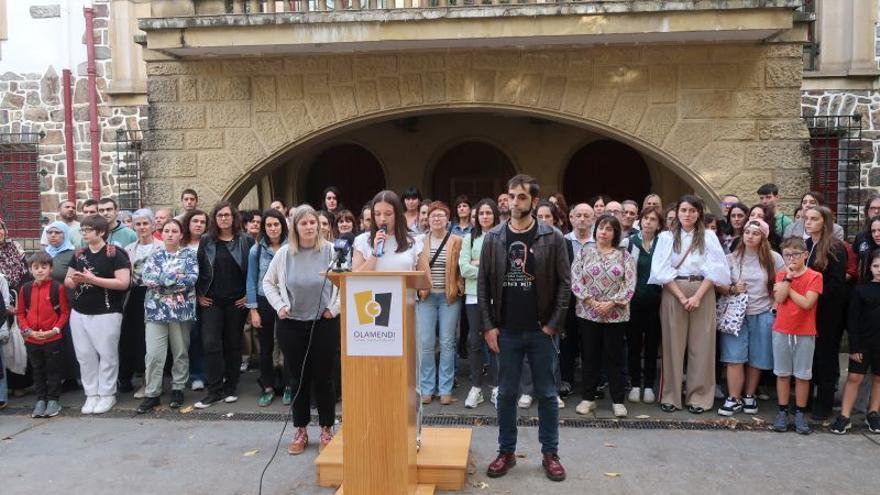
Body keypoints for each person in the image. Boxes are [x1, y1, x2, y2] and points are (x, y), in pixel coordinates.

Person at [479, 174, 570, 482]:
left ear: (533, 200)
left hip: (540, 330)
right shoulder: (493, 237)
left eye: (520, 197)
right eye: (510, 196)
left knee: (546, 393)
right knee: (505, 394)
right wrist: (489, 326)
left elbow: (564, 284)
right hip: (506, 330)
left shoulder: (552, 236)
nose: (514, 201)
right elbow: (481, 285)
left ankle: (550, 453)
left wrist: (553, 325)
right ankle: (506, 452)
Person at [262, 205, 340, 454]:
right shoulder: (285, 253)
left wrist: (334, 308)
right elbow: (268, 282)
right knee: (297, 378)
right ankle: (301, 430)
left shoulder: (331, 251)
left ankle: (327, 428)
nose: (309, 227)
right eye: (303, 223)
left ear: (319, 225)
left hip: (324, 323)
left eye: (312, 223)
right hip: (292, 325)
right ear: (295, 227)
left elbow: (345, 281)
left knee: (324, 378)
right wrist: (280, 306)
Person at [649, 195, 730, 414]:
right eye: (684, 210)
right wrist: (682, 297)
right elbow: (660, 270)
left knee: (702, 346)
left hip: (702, 290)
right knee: (672, 345)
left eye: (692, 211)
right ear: (678, 212)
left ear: (699, 214)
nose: (688, 215)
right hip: (674, 291)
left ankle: (699, 396)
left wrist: (697, 297)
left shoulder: (710, 237)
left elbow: (716, 269)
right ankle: (670, 395)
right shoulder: (666, 237)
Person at [715, 219, 784, 417]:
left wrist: (774, 307)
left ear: (764, 236)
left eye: (755, 232)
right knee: (734, 356)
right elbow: (718, 283)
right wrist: (731, 288)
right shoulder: (732, 258)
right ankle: (733, 397)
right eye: (747, 232)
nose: (750, 236)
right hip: (735, 313)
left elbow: (782, 283)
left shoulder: (774, 259)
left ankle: (749, 395)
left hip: (762, 312)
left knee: (757, 357)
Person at [64, 215, 132, 415]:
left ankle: (107, 394)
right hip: (79, 311)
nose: (83, 233)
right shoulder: (79, 254)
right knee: (84, 355)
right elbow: (68, 281)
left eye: (88, 229)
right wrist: (75, 280)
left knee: (107, 354)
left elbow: (123, 283)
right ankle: (91, 393)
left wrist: (94, 279)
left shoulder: (115, 253)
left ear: (101, 232)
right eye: (82, 229)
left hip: (106, 311)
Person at [571, 214, 636, 418]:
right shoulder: (584, 252)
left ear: (615, 233)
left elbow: (630, 284)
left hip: (616, 314)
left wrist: (612, 303)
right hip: (588, 313)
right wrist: (591, 302)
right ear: (595, 230)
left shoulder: (625, 256)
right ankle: (588, 398)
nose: (604, 232)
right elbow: (575, 280)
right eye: (601, 228)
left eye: (609, 229)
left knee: (614, 357)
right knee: (589, 356)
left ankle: (617, 400)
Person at [194, 202, 254, 409]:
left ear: (234, 217)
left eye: (227, 215)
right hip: (212, 300)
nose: (224, 219)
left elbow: (253, 271)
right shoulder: (206, 241)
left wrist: (249, 295)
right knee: (211, 343)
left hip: (237, 301)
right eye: (220, 215)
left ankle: (231, 388)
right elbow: (198, 270)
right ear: (215, 218)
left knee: (233, 344)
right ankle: (214, 390)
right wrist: (199, 294)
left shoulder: (245, 241)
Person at [137, 219, 198, 413]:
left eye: (174, 231)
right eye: (166, 231)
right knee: (154, 354)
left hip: (181, 312)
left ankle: (178, 388)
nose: (170, 234)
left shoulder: (189, 255)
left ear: (181, 235)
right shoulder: (154, 256)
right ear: (161, 234)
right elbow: (146, 279)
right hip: (156, 311)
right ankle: (152, 393)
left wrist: (162, 281)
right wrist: (173, 278)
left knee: (180, 351)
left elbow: (189, 280)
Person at [771, 237, 822, 434]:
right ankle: (783, 411)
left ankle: (800, 412)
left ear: (805, 255)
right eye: (787, 255)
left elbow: (807, 303)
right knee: (782, 373)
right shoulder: (782, 274)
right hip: (782, 329)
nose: (791, 258)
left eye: (795, 254)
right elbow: (779, 297)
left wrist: (788, 287)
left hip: (805, 331)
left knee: (802, 375)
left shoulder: (814, 276)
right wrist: (788, 279)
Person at [802, 205, 849, 420]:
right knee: (808, 356)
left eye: (814, 218)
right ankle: (806, 400)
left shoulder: (835, 247)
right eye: (806, 218)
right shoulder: (806, 245)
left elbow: (837, 284)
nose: (808, 222)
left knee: (825, 357)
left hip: (827, 312)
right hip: (806, 310)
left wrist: (814, 298)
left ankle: (824, 403)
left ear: (825, 222)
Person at [416, 201, 463, 405]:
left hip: (448, 298)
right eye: (433, 215)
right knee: (426, 343)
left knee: (447, 343)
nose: (436, 218)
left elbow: (463, 266)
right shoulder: (419, 241)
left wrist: (459, 286)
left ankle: (445, 389)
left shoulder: (457, 240)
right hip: (426, 297)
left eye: (440, 215)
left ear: (447, 219)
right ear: (427, 219)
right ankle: (426, 388)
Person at [831, 248, 880, 434]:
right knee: (854, 377)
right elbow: (853, 320)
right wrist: (855, 346)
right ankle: (845, 415)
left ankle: (873, 413)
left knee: (878, 378)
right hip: (863, 343)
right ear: (869, 268)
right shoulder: (860, 290)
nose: (879, 270)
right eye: (876, 266)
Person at [16, 252, 71, 418]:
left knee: (53, 370)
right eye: (36, 267)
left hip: (52, 338)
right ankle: (40, 400)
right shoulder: (25, 289)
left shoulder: (57, 288)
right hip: (32, 338)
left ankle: (53, 400)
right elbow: (20, 313)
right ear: (30, 269)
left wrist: (54, 330)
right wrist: (28, 331)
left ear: (51, 269)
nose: (40, 271)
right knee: (37, 369)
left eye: (44, 267)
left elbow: (64, 312)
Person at [246, 209, 290, 407]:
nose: (273, 228)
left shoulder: (292, 247)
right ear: (264, 228)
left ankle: (289, 386)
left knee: (288, 345)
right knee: (266, 348)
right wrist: (253, 309)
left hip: (287, 300)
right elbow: (251, 280)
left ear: (282, 225)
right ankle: (268, 387)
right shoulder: (256, 250)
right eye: (269, 225)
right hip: (264, 301)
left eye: (276, 224)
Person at [622, 206, 664, 404]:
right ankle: (635, 384)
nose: (648, 222)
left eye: (653, 219)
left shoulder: (663, 244)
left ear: (658, 224)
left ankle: (648, 385)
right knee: (634, 345)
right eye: (645, 218)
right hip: (633, 303)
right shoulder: (629, 243)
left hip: (656, 303)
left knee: (652, 345)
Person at [461, 199, 500, 408]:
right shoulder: (469, 238)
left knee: (495, 342)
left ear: (495, 215)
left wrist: (480, 265)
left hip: (496, 297)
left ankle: (496, 387)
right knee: (475, 342)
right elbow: (464, 268)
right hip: (473, 297)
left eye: (488, 213)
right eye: (481, 213)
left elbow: (502, 269)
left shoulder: (501, 237)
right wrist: (487, 269)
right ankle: (476, 387)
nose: (485, 216)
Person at [120, 209, 163, 397]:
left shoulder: (162, 246)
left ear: (153, 225)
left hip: (157, 296)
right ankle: (141, 379)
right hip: (134, 297)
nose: (142, 227)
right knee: (136, 340)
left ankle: (152, 382)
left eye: (146, 223)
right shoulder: (128, 249)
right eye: (138, 224)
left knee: (153, 342)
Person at [560, 203, 595, 394]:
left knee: (590, 343)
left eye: (586, 216)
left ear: (593, 220)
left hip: (592, 300)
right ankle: (566, 380)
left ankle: (591, 384)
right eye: (578, 215)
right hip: (569, 299)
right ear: (571, 218)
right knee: (567, 341)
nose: (582, 219)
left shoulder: (599, 242)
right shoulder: (562, 241)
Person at [181, 209, 208, 392]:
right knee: (192, 337)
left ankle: (210, 373)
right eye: (195, 221)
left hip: (207, 297)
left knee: (208, 337)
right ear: (188, 224)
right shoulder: (181, 245)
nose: (199, 224)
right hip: (184, 298)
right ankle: (195, 374)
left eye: (202, 222)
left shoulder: (210, 244)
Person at [852, 194, 880, 282]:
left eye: (879, 208)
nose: (876, 211)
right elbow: (855, 263)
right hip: (865, 285)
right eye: (872, 208)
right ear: (867, 211)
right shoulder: (861, 237)